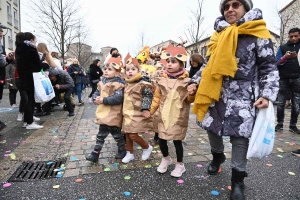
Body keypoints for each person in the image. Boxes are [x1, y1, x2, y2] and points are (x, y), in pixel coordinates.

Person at [187, 1, 279, 199]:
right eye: (226, 6)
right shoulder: (219, 34)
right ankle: (218, 155)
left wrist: (267, 94)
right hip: (216, 92)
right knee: (211, 128)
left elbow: (269, 67)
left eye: (236, 4)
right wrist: (194, 82)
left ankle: (238, 180)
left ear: (245, 8)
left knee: (239, 138)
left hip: (244, 96)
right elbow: (208, 65)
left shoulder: (258, 33)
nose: (230, 9)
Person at [149, 45, 195, 178]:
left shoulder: (187, 81)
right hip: (163, 115)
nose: (169, 64)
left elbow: (189, 100)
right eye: (168, 61)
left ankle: (180, 164)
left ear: (181, 65)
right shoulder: (162, 80)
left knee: (176, 140)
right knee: (162, 139)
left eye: (173, 62)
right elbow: (157, 97)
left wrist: (192, 92)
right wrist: (151, 111)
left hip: (178, 116)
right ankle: (166, 158)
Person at [86, 57, 126, 162]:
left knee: (117, 134)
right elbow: (97, 92)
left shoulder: (118, 84)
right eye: (105, 69)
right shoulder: (102, 82)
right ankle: (95, 153)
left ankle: (122, 149)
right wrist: (95, 98)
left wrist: (104, 100)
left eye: (110, 69)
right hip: (103, 113)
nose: (106, 71)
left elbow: (118, 98)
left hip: (113, 113)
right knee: (101, 135)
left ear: (117, 73)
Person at [121, 53, 153, 164]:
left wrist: (145, 108)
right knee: (127, 133)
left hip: (137, 112)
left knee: (133, 135)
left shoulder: (143, 82)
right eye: (128, 69)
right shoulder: (125, 83)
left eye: (133, 69)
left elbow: (147, 95)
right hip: (127, 113)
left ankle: (146, 147)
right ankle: (129, 153)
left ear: (138, 70)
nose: (130, 72)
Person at [15, 32, 45, 130]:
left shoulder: (19, 48)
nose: (35, 42)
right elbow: (37, 66)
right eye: (35, 40)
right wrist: (41, 60)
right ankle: (29, 122)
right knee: (30, 100)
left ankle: (26, 121)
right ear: (31, 39)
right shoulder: (31, 48)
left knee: (27, 99)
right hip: (30, 77)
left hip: (23, 77)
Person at [275, 27, 300, 134]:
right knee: (280, 102)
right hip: (283, 78)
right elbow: (276, 63)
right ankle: (279, 124)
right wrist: (285, 57)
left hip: (297, 78)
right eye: (291, 36)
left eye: (296, 36)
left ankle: (293, 125)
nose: (293, 38)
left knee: (297, 103)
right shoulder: (282, 47)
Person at [150, 60, 166, 145]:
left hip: (164, 103)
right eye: (160, 68)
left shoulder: (167, 80)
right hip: (156, 102)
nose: (161, 70)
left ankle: (162, 138)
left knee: (163, 121)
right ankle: (156, 137)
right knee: (157, 120)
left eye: (163, 68)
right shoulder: (153, 80)